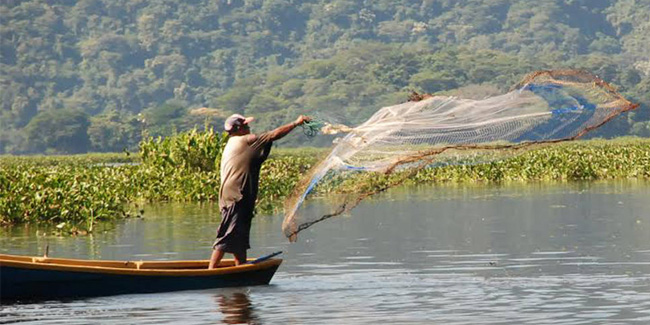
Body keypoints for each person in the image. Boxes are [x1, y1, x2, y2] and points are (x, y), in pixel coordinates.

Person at [209, 113, 311, 268]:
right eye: (246, 125)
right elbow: (273, 135)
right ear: (239, 128)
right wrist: (296, 123)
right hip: (237, 195)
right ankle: (212, 270)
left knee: (239, 233)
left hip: (233, 195)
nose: (249, 127)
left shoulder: (234, 142)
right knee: (228, 234)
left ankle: (240, 266)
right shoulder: (244, 140)